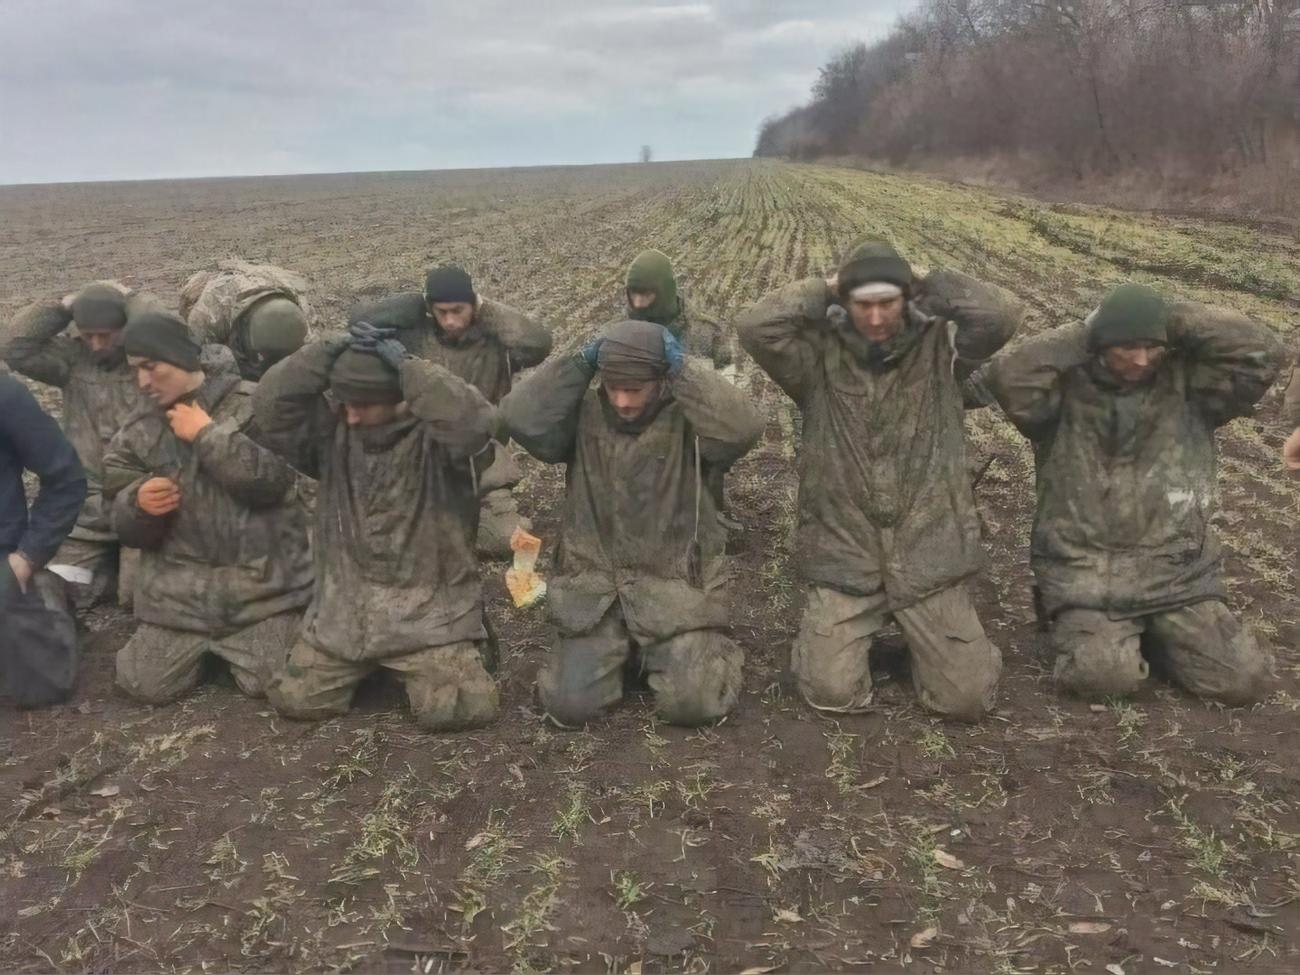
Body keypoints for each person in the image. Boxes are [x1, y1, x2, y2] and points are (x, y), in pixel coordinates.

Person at [737, 238, 1022, 722]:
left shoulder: (943, 352)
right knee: (828, 691)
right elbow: (753, 326)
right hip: (848, 557)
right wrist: (827, 285)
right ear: (844, 304)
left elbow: (1001, 315)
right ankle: (858, 640)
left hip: (927, 553)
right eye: (862, 304)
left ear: (906, 298)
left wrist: (927, 278)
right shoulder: (814, 362)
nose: (874, 317)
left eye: (886, 303)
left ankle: (936, 646)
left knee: (966, 700)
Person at [973, 283, 1283, 704]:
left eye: (1151, 347)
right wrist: (1092, 326)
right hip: (1087, 574)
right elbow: (1008, 374)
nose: (1140, 360)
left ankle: (1155, 635)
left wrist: (1164, 316)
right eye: (1125, 347)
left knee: (1246, 683)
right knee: (1104, 680)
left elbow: (1263, 353)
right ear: (1099, 346)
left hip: (1177, 573)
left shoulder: (1196, 390)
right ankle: (1082, 628)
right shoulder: (1059, 397)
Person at [500, 319, 764, 726]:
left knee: (694, 705)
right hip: (595, 593)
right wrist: (580, 363)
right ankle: (619, 655)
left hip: (672, 588)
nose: (622, 400)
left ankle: (710, 649)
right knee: (568, 707)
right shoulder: (581, 417)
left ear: (660, 381)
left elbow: (744, 428)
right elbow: (518, 416)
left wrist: (683, 368)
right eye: (613, 387)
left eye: (635, 389)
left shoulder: (689, 421)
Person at [253, 323, 500, 731]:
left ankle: (456, 654)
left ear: (399, 399)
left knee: (458, 709)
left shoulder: (443, 446)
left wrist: (409, 367)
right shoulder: (330, 436)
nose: (349, 414)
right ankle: (366, 665)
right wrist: (328, 349)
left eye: (363, 404)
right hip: (346, 619)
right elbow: (268, 404)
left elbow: (477, 423)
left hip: (428, 620)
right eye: (344, 401)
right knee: (295, 699)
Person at [102, 311, 312, 704]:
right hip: (177, 601)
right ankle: (202, 650)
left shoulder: (255, 406)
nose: (143, 381)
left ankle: (275, 634)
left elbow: (273, 482)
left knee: (281, 682)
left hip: (259, 594)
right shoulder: (136, 431)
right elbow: (116, 512)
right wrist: (137, 504)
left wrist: (206, 436)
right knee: (142, 685)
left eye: (151, 367)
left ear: (181, 358)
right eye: (135, 370)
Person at [354, 266, 552, 558]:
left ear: (473, 304)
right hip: (422, 462)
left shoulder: (494, 338)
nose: (449, 321)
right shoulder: (415, 336)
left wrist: (486, 310)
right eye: (440, 311)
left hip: (481, 465)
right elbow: (358, 321)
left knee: (505, 540)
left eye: (458, 310)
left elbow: (539, 343)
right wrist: (413, 302)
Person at [3, 282, 160, 606]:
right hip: (87, 514)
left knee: (136, 599)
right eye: (90, 335)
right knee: (62, 589)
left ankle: (124, 575)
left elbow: (174, 331)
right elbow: (13, 346)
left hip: (144, 508)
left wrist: (130, 299)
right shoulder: (72, 361)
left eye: (107, 334)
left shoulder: (152, 362)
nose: (98, 344)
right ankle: (108, 574)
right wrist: (62, 304)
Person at [180, 259, 314, 381]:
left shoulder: (204, 305)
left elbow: (198, 356)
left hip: (260, 341)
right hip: (293, 316)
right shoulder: (264, 273)